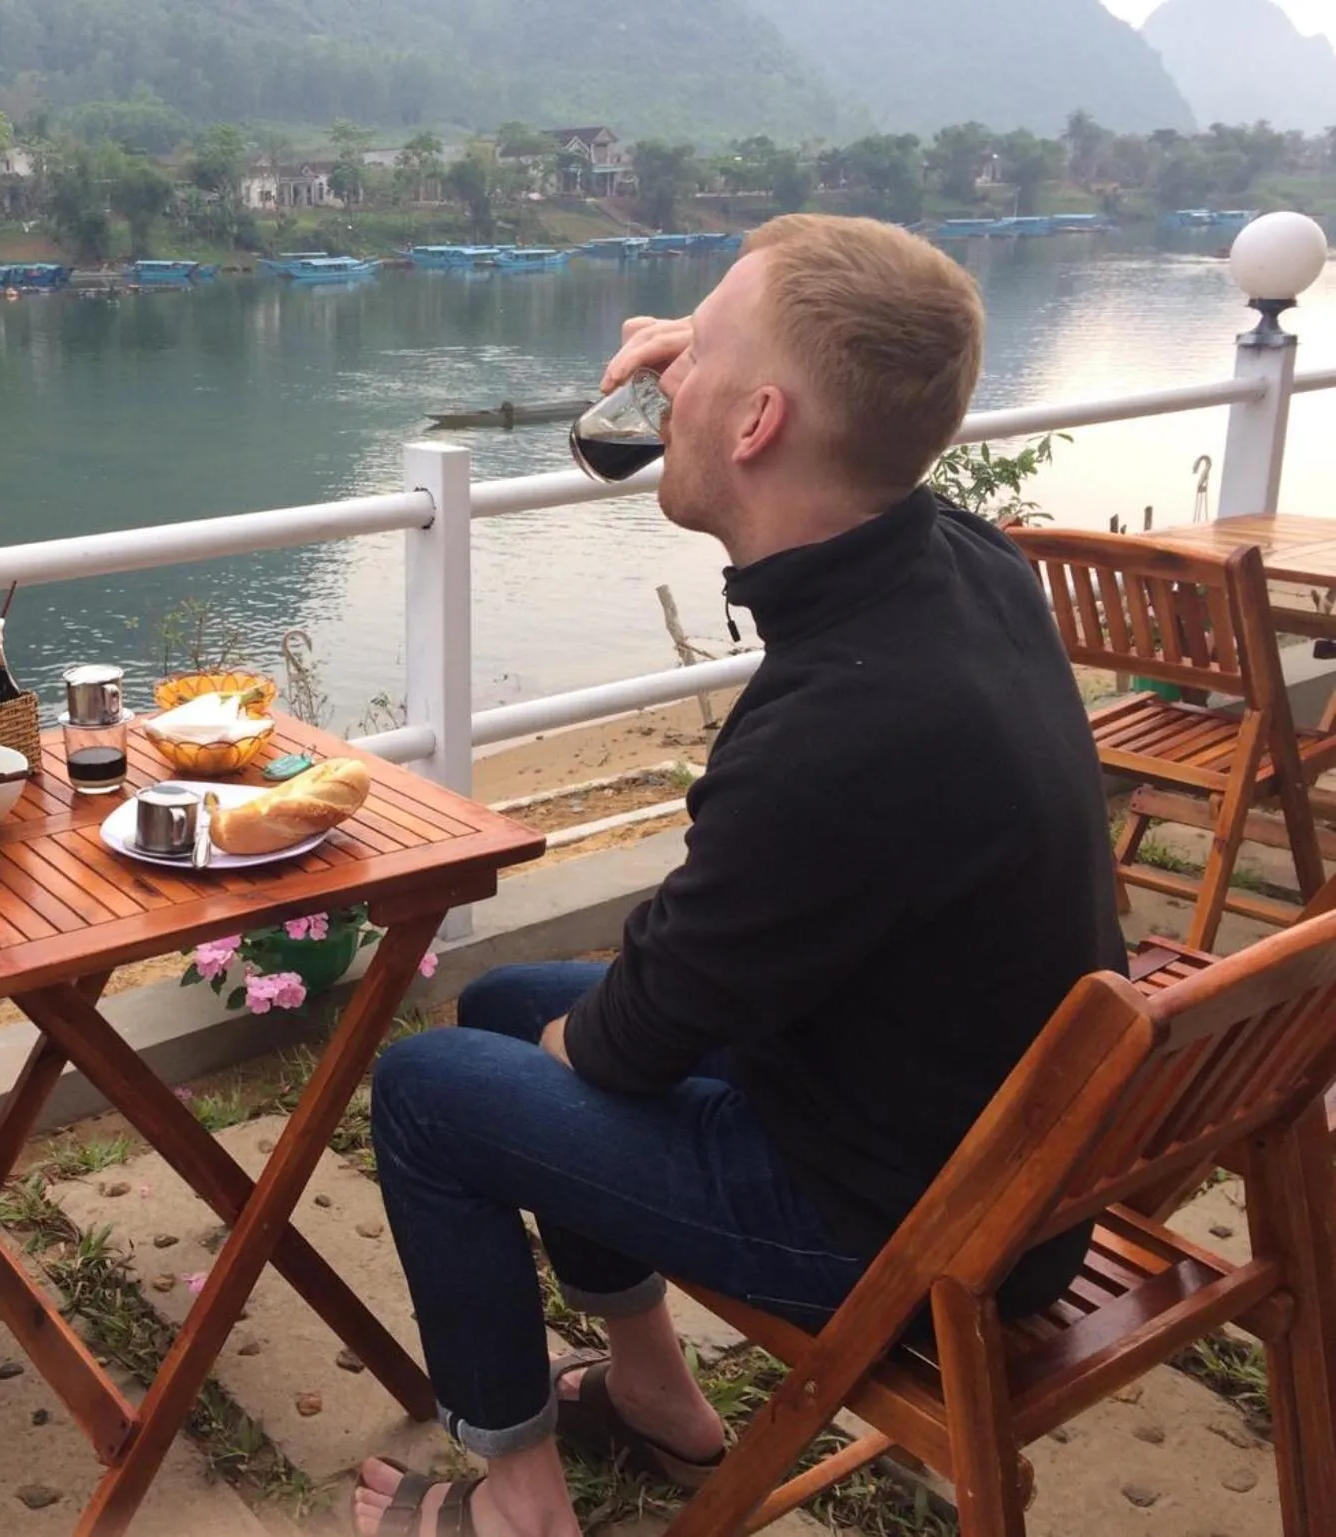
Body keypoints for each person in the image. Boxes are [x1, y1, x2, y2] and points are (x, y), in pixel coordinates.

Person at [353, 215, 1127, 1535]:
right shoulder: (961, 562)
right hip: (984, 1140)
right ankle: (661, 1402)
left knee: (433, 1088)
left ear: (760, 422)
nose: (662, 371)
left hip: (916, 1234)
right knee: (496, 1010)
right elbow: (867, 343)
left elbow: (632, 1043)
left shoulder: (837, 732)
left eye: (691, 353)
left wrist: (571, 1046)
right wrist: (702, 354)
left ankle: (517, 1507)